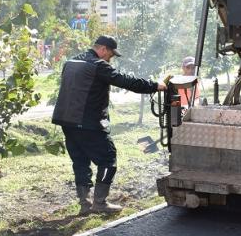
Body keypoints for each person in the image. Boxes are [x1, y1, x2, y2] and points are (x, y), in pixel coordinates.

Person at [52, 36, 166, 215]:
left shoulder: (71, 62)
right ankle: (100, 202)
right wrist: (154, 86)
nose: (110, 59)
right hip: (88, 122)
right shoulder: (98, 65)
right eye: (111, 55)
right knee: (108, 159)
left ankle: (85, 204)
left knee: (80, 162)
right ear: (103, 49)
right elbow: (125, 81)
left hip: (66, 121)